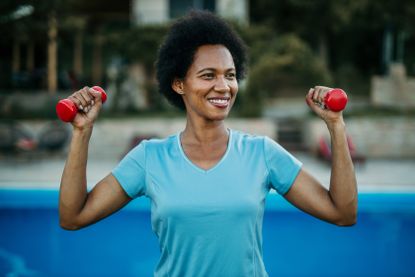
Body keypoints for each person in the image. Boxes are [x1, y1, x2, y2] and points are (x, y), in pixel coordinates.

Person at [59, 10, 357, 277]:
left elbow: (342, 213)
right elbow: (73, 217)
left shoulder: (262, 153)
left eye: (230, 75)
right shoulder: (149, 158)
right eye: (207, 75)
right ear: (179, 84)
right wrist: (82, 132)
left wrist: (336, 125)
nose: (223, 86)